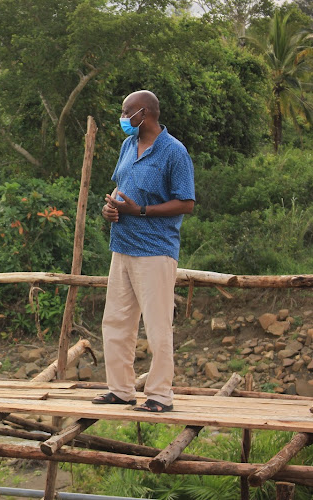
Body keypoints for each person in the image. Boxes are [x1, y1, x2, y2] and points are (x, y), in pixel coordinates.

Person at [92, 90, 195, 413]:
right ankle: (121, 389)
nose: (123, 118)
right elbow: (120, 189)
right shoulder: (128, 146)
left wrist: (142, 211)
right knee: (116, 321)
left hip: (155, 251)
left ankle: (160, 395)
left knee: (157, 324)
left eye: (127, 112)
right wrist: (111, 209)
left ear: (145, 113)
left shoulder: (173, 152)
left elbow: (186, 202)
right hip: (122, 246)